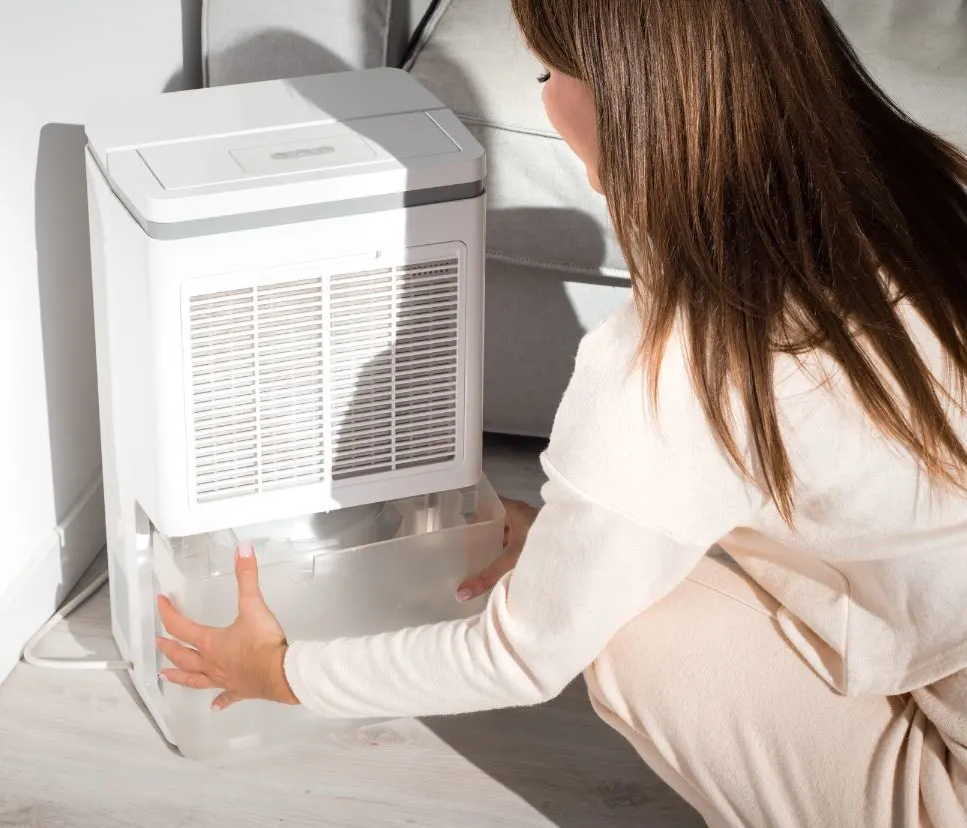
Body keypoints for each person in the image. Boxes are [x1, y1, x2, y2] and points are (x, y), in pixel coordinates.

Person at [154, 1, 967, 825]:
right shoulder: (934, 180)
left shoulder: (679, 363)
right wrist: (572, 534)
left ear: (626, 98)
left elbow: (520, 654)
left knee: (630, 632)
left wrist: (280, 672)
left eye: (548, 74)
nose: (545, 99)